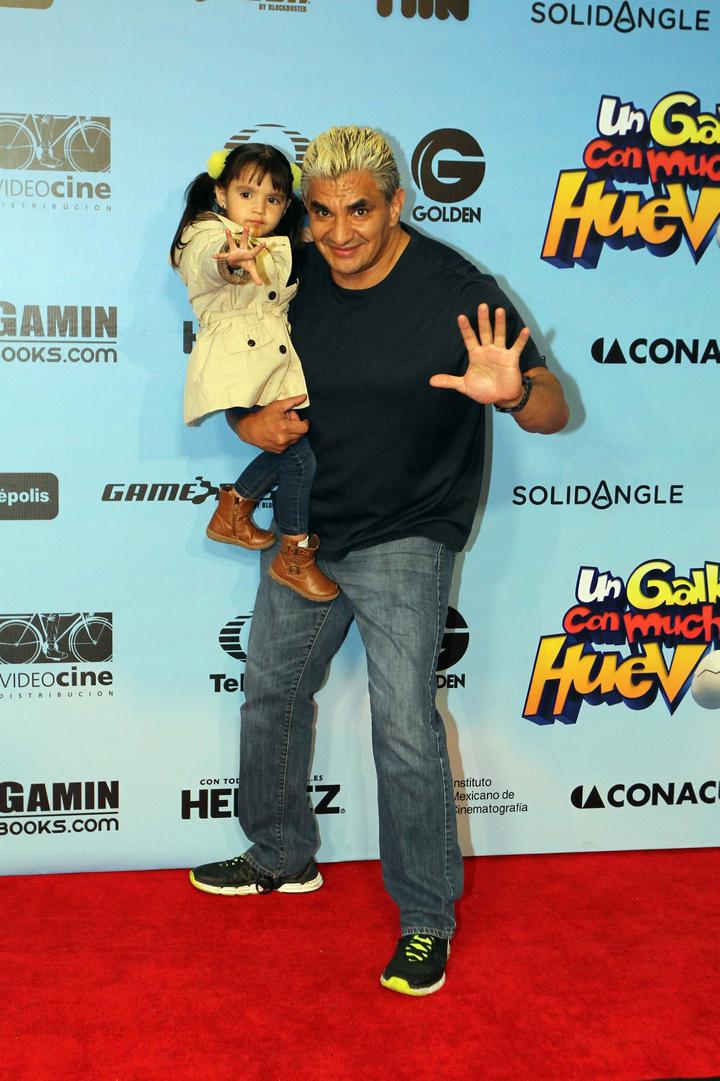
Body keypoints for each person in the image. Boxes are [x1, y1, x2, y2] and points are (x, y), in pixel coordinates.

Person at [189, 126, 569, 996]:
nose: (338, 232)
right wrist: (245, 422)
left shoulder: (458, 291)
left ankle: (427, 915)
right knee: (270, 688)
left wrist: (515, 392)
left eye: (358, 210)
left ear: (396, 203)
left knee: (401, 722)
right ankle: (281, 852)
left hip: (407, 528)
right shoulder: (289, 267)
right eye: (320, 212)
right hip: (307, 531)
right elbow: (237, 356)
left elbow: (551, 406)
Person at [171, 143, 338, 602]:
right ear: (221, 194)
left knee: (294, 451)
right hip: (239, 362)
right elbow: (211, 261)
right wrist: (230, 260)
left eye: (273, 199)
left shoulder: (277, 244)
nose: (259, 208)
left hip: (268, 361)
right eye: (247, 194)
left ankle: (236, 510)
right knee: (299, 459)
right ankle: (292, 551)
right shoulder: (208, 234)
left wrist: (311, 237)